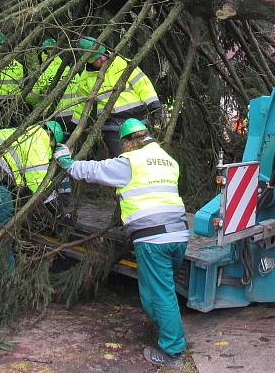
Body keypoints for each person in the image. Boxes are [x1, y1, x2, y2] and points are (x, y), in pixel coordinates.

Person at [58, 119, 188, 369]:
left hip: (153, 238)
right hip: (179, 235)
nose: (122, 149)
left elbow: (96, 170)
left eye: (123, 144)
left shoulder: (132, 161)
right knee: (158, 291)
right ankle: (164, 331)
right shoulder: (168, 161)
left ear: (130, 141)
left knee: (161, 294)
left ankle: (173, 353)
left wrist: (68, 164)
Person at [0, 121, 71, 269]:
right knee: (3, 234)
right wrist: (58, 212)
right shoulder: (39, 141)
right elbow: (39, 185)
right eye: (52, 146)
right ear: (51, 138)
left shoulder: (14, 131)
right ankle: (5, 277)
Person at [76, 36, 162, 157]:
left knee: (146, 156)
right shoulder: (85, 78)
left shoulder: (123, 62)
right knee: (121, 160)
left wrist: (155, 106)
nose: (103, 58)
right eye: (97, 58)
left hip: (137, 120)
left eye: (103, 53)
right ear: (88, 60)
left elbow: (143, 85)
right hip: (111, 126)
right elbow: (82, 105)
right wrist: (76, 126)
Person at [29, 38, 84, 135]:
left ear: (43, 53)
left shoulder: (44, 73)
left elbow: (34, 97)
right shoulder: (71, 71)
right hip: (72, 116)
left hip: (50, 117)